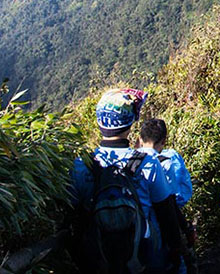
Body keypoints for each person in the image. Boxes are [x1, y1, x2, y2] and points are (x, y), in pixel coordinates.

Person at [68, 89, 182, 273]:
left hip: (99, 260)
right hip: (143, 258)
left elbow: (72, 213)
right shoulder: (147, 163)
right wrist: (176, 252)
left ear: (99, 122)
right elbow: (166, 211)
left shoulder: (82, 164)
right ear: (130, 126)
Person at [138, 119, 197, 274]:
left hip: (136, 233)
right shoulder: (166, 162)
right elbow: (170, 203)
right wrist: (183, 233)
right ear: (164, 141)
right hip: (161, 232)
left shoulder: (129, 162)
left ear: (140, 139)